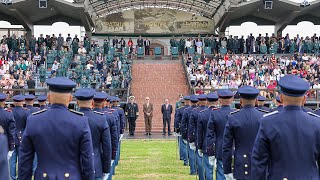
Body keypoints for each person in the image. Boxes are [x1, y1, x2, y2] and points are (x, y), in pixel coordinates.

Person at [18, 77, 94, 180]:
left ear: (48, 98)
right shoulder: (80, 121)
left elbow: (25, 161)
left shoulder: (33, 120)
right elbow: (87, 160)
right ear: (70, 99)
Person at [251, 75, 320, 179]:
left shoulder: (268, 122)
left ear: (281, 98)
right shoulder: (316, 122)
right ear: (304, 99)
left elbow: (259, 162)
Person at [223, 86, 267, 180]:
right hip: (260, 164)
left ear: (241, 102)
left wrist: (227, 170)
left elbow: (227, 147)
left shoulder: (233, 118)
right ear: (256, 101)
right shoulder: (264, 117)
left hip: (241, 163)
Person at [75, 88, 112, 180]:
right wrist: (106, 169)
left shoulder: (70, 119)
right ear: (92, 103)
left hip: (74, 168)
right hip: (95, 166)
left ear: (77, 103)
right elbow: (107, 147)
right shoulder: (100, 119)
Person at [206, 90, 234, 180]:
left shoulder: (215, 113)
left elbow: (210, 135)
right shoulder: (236, 113)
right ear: (231, 100)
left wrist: (210, 152)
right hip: (234, 148)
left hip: (220, 147)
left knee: (221, 173)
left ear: (220, 100)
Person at [93, 92, 118, 179]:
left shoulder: (80, 117)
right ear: (104, 102)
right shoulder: (108, 116)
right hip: (99, 160)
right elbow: (110, 141)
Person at [197, 93, 219, 180]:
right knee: (220, 170)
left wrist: (199, 146)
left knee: (208, 169)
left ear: (207, 101)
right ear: (217, 101)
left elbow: (200, 132)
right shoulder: (221, 113)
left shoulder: (202, 114)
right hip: (220, 144)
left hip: (207, 143)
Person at [10, 95, 30, 180]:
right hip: (23, 138)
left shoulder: (9, 111)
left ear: (14, 102)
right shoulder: (26, 112)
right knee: (21, 161)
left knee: (12, 161)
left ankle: (13, 177)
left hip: (12, 138)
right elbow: (28, 126)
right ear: (22, 101)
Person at [0, 93, 15, 165]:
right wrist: (11, 147)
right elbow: (11, 132)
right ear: (4, 102)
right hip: (4, 144)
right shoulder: (8, 114)